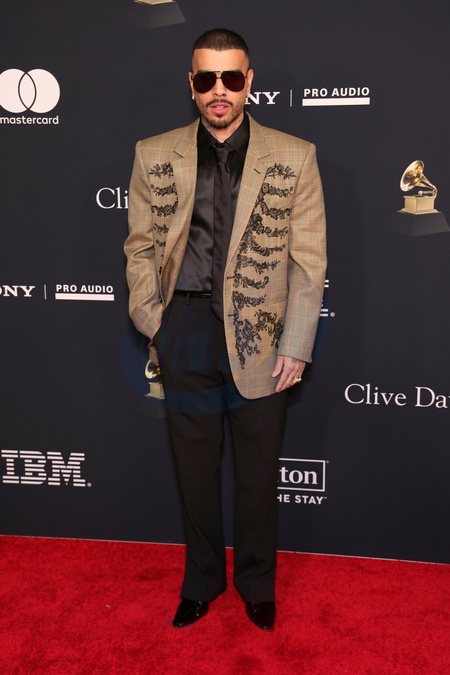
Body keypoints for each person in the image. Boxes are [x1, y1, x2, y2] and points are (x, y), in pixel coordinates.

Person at [125, 28, 326, 631]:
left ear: (248, 82)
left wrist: (297, 344)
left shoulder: (294, 155)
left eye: (231, 78)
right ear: (191, 83)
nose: (220, 90)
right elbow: (139, 248)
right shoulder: (154, 153)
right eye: (207, 78)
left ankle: (257, 584)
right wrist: (153, 320)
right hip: (183, 326)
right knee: (194, 469)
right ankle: (202, 580)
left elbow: (307, 261)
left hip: (261, 330)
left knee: (259, 472)